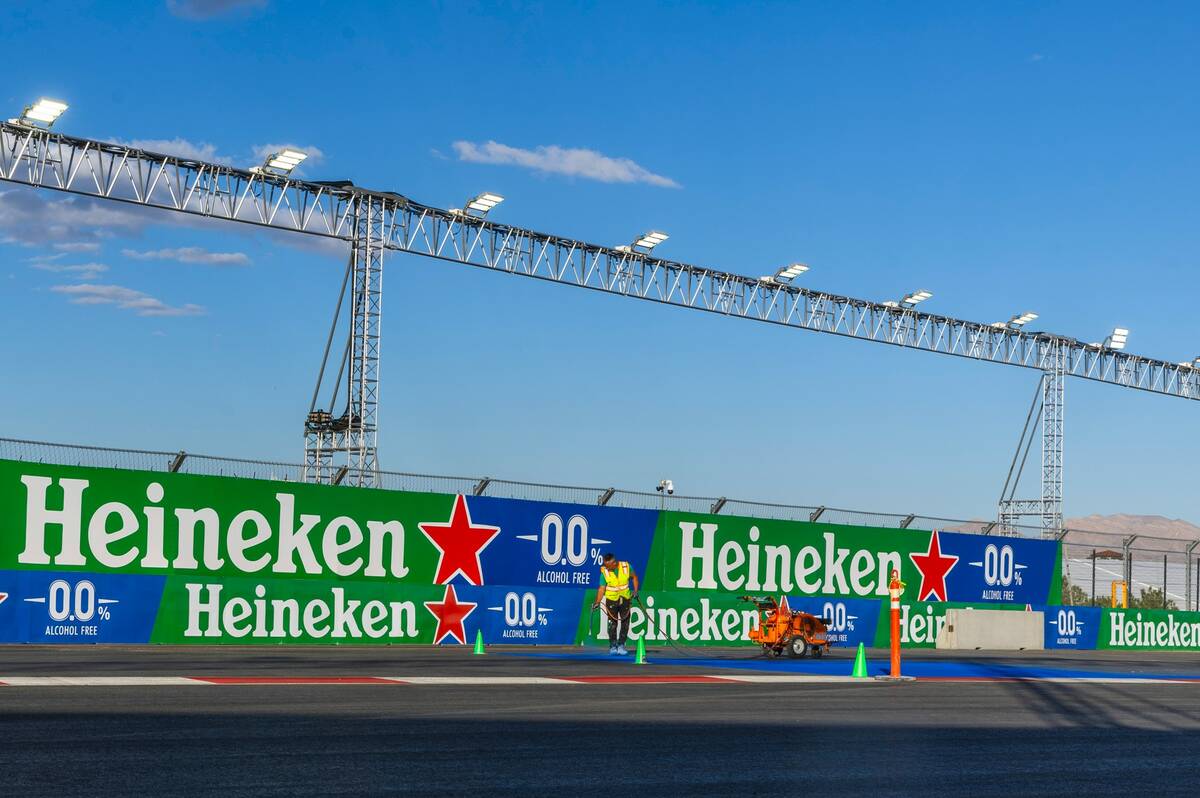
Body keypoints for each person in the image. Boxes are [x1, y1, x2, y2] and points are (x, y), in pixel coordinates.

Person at [592, 552, 639, 655]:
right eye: (605, 565)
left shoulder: (626, 567)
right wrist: (597, 602)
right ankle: (613, 646)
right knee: (612, 624)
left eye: (608, 566)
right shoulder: (605, 573)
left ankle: (621, 645)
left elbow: (634, 577)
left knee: (625, 623)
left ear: (614, 563)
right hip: (611, 600)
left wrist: (635, 591)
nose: (606, 568)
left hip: (625, 598)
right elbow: (601, 589)